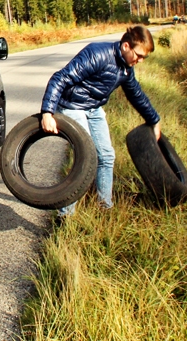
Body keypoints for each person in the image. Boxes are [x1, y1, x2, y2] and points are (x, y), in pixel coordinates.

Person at [40, 25, 161, 217]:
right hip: (73, 105)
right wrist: (47, 112)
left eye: (144, 58)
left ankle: (105, 207)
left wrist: (154, 120)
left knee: (106, 156)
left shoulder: (126, 69)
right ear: (126, 46)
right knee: (85, 157)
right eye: (138, 55)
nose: (140, 60)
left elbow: (137, 95)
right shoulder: (97, 54)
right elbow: (60, 78)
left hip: (94, 108)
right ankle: (66, 215)